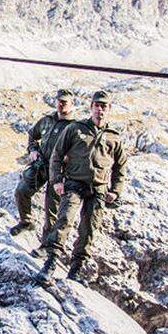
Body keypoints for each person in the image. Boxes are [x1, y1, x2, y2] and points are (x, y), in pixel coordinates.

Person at [33, 90, 128, 286]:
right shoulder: (76, 129)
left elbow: (120, 167)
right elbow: (57, 154)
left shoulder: (114, 138)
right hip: (74, 183)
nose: (100, 110)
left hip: (98, 189)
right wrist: (56, 180)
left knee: (89, 229)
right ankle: (50, 264)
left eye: (104, 107)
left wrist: (115, 191)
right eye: (97, 106)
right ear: (91, 107)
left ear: (108, 110)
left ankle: (75, 271)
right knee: (64, 220)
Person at [11, 89, 76, 238]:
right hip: (41, 165)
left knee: (51, 208)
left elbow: (80, 150)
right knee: (21, 191)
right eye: (59, 101)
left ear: (72, 104)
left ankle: (46, 244)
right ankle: (25, 222)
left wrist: (70, 157)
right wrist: (33, 150)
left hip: (60, 171)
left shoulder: (74, 126)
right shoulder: (47, 120)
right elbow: (32, 135)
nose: (61, 104)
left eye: (65, 102)